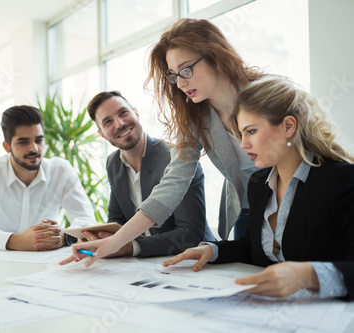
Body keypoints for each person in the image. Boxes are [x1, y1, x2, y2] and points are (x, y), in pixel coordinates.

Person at [60, 18, 264, 267]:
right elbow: (173, 184)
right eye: (174, 76)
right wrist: (113, 243)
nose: (180, 83)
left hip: (294, 203)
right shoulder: (196, 116)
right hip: (247, 209)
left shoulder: (268, 93)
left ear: (214, 56)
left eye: (186, 69)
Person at [163, 75, 354, 300]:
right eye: (241, 134)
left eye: (251, 131)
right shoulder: (259, 184)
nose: (243, 144)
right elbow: (252, 247)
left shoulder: (340, 179)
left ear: (288, 126)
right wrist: (213, 250)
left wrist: (308, 275)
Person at [83, 91, 215, 258]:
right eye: (108, 122)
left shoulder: (178, 158)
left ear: (136, 113)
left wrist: (132, 247)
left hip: (194, 260)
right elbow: (117, 221)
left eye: (123, 113)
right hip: (146, 265)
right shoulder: (113, 163)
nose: (120, 123)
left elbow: (191, 234)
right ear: (102, 133)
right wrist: (101, 238)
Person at [0, 105, 96, 251]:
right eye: (23, 142)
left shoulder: (61, 171)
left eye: (39, 140)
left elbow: (86, 219)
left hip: (43, 265)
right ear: (7, 147)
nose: (34, 148)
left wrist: (66, 237)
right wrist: (14, 241)